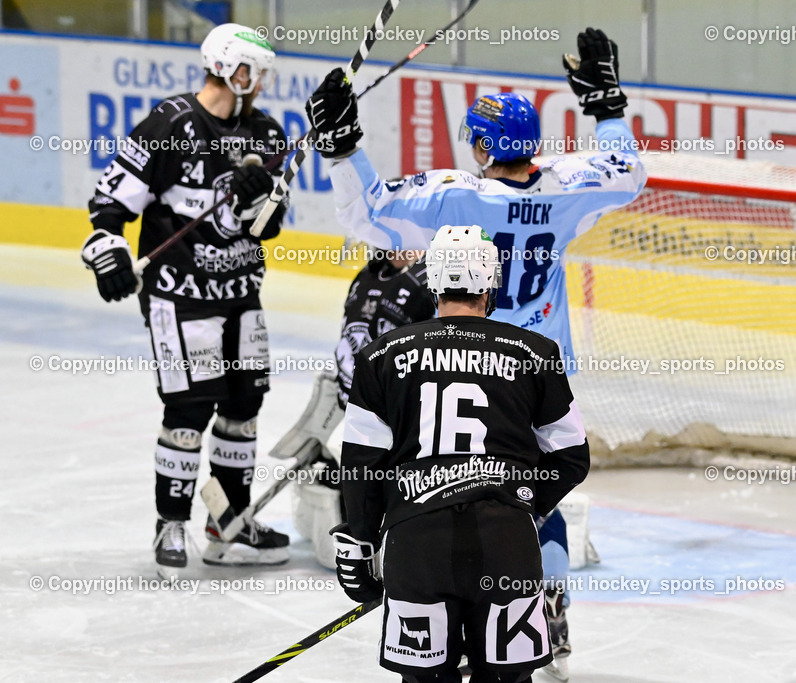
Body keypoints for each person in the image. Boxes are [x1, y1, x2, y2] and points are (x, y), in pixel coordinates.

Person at [305, 26, 641, 666]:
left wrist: (343, 148)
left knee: (449, 486)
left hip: (465, 359)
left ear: (485, 145)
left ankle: (443, 611)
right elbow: (628, 171)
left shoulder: (457, 198)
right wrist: (604, 108)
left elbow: (367, 215)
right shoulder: (570, 188)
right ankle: (550, 610)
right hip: (541, 374)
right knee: (535, 490)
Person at [332, 225, 590, 682]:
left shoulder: (379, 356)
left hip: (418, 548)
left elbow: (360, 465)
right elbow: (571, 456)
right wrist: (523, 500)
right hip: (505, 546)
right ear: (491, 285)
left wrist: (362, 541)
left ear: (433, 283)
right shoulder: (536, 353)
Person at [81, 23, 291, 574]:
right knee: (189, 410)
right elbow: (108, 207)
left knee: (245, 406)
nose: (262, 82)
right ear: (228, 68)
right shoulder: (168, 125)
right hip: (181, 298)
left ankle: (228, 522)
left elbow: (269, 228)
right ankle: (169, 522)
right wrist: (106, 254)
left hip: (243, 294)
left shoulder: (266, 134)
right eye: (256, 71)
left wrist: (257, 198)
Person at [270, 247, 435, 567]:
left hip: (406, 424)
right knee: (339, 482)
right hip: (359, 413)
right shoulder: (367, 275)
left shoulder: (428, 284)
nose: (392, 244)